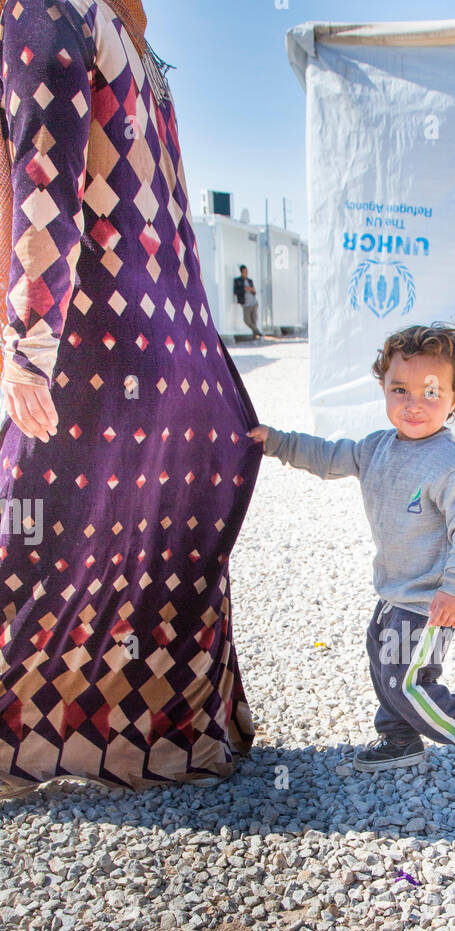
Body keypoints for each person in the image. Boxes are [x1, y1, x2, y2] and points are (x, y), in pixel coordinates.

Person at [0, 0, 263, 796]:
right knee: (154, 561)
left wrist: (27, 343)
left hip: (94, 348)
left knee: (28, 547)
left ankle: (33, 748)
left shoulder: (46, 9)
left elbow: (43, 173)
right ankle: (174, 744)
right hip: (173, 350)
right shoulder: (140, 51)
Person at [250, 322, 455, 791]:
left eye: (432, 392)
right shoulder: (376, 447)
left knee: (409, 682)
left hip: (430, 602)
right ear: (384, 389)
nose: (414, 404)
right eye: (400, 389)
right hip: (394, 592)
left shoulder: (451, 467)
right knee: (382, 663)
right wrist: (277, 443)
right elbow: (329, 455)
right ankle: (400, 740)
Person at [233, 264, 262, 340]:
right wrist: (244, 289)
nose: (246, 273)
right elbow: (235, 292)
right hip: (245, 304)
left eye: (247, 272)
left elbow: (254, 292)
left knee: (254, 320)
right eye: (244, 272)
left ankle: (255, 336)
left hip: (254, 303)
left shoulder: (250, 281)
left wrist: (252, 289)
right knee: (247, 321)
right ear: (241, 272)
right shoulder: (237, 281)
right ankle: (258, 332)